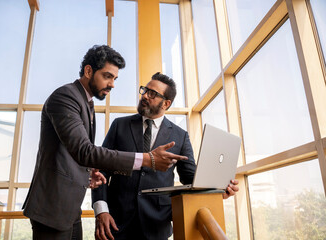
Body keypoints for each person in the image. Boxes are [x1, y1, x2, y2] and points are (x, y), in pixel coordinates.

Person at [22, 46, 188, 240]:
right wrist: (147, 159)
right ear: (88, 71)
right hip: (53, 208)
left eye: (115, 79)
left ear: (166, 103)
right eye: (107, 76)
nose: (112, 85)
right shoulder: (66, 97)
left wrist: (88, 173)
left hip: (70, 209)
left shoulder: (86, 104)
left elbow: (73, 152)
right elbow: (85, 151)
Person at [92, 72, 239, 240]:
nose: (145, 95)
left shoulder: (180, 136)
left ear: (166, 103)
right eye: (145, 90)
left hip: (157, 226)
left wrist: (218, 190)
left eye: (152, 94)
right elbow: (101, 170)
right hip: (115, 224)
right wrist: (101, 211)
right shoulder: (120, 126)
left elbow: (191, 179)